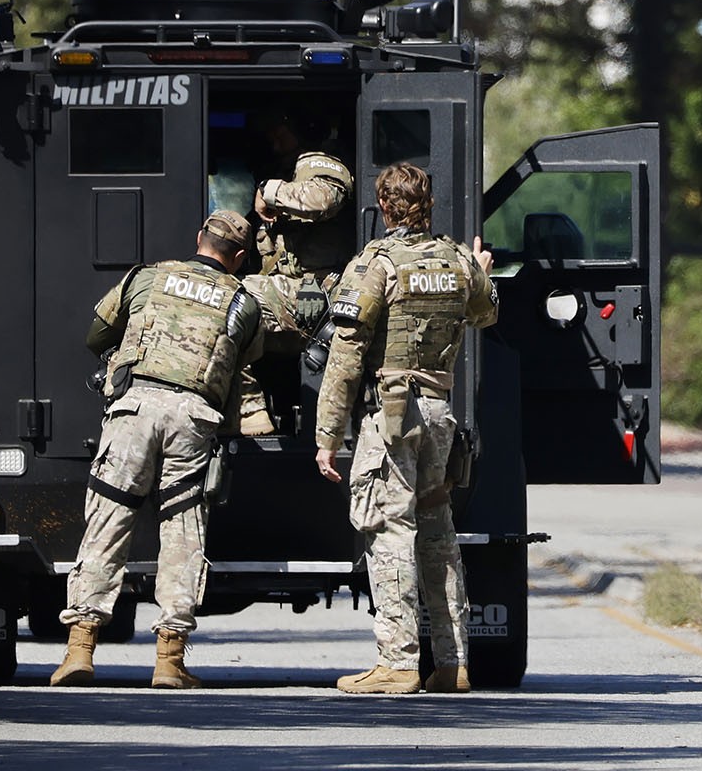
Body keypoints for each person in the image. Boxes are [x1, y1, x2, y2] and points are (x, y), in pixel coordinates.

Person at [51, 209, 264, 690]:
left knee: (107, 524)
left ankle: (79, 653)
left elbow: (95, 335)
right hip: (193, 418)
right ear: (241, 257)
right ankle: (169, 662)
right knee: (183, 533)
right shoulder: (244, 302)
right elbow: (242, 367)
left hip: (132, 413)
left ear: (199, 239)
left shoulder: (146, 278)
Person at [314, 163, 498, 695]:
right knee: (437, 531)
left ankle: (397, 662)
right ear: (429, 204)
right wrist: (480, 269)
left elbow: (346, 352)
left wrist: (328, 436)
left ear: (385, 206)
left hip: (391, 417)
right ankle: (453, 661)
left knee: (389, 528)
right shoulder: (458, 260)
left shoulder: (377, 263)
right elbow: (486, 314)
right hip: (439, 413)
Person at [235, 110, 354, 436]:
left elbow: (323, 199)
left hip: (321, 296)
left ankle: (249, 407)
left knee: (225, 302)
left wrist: (269, 191)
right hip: (292, 296)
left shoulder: (316, 161)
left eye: (279, 132)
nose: (274, 143)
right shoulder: (287, 171)